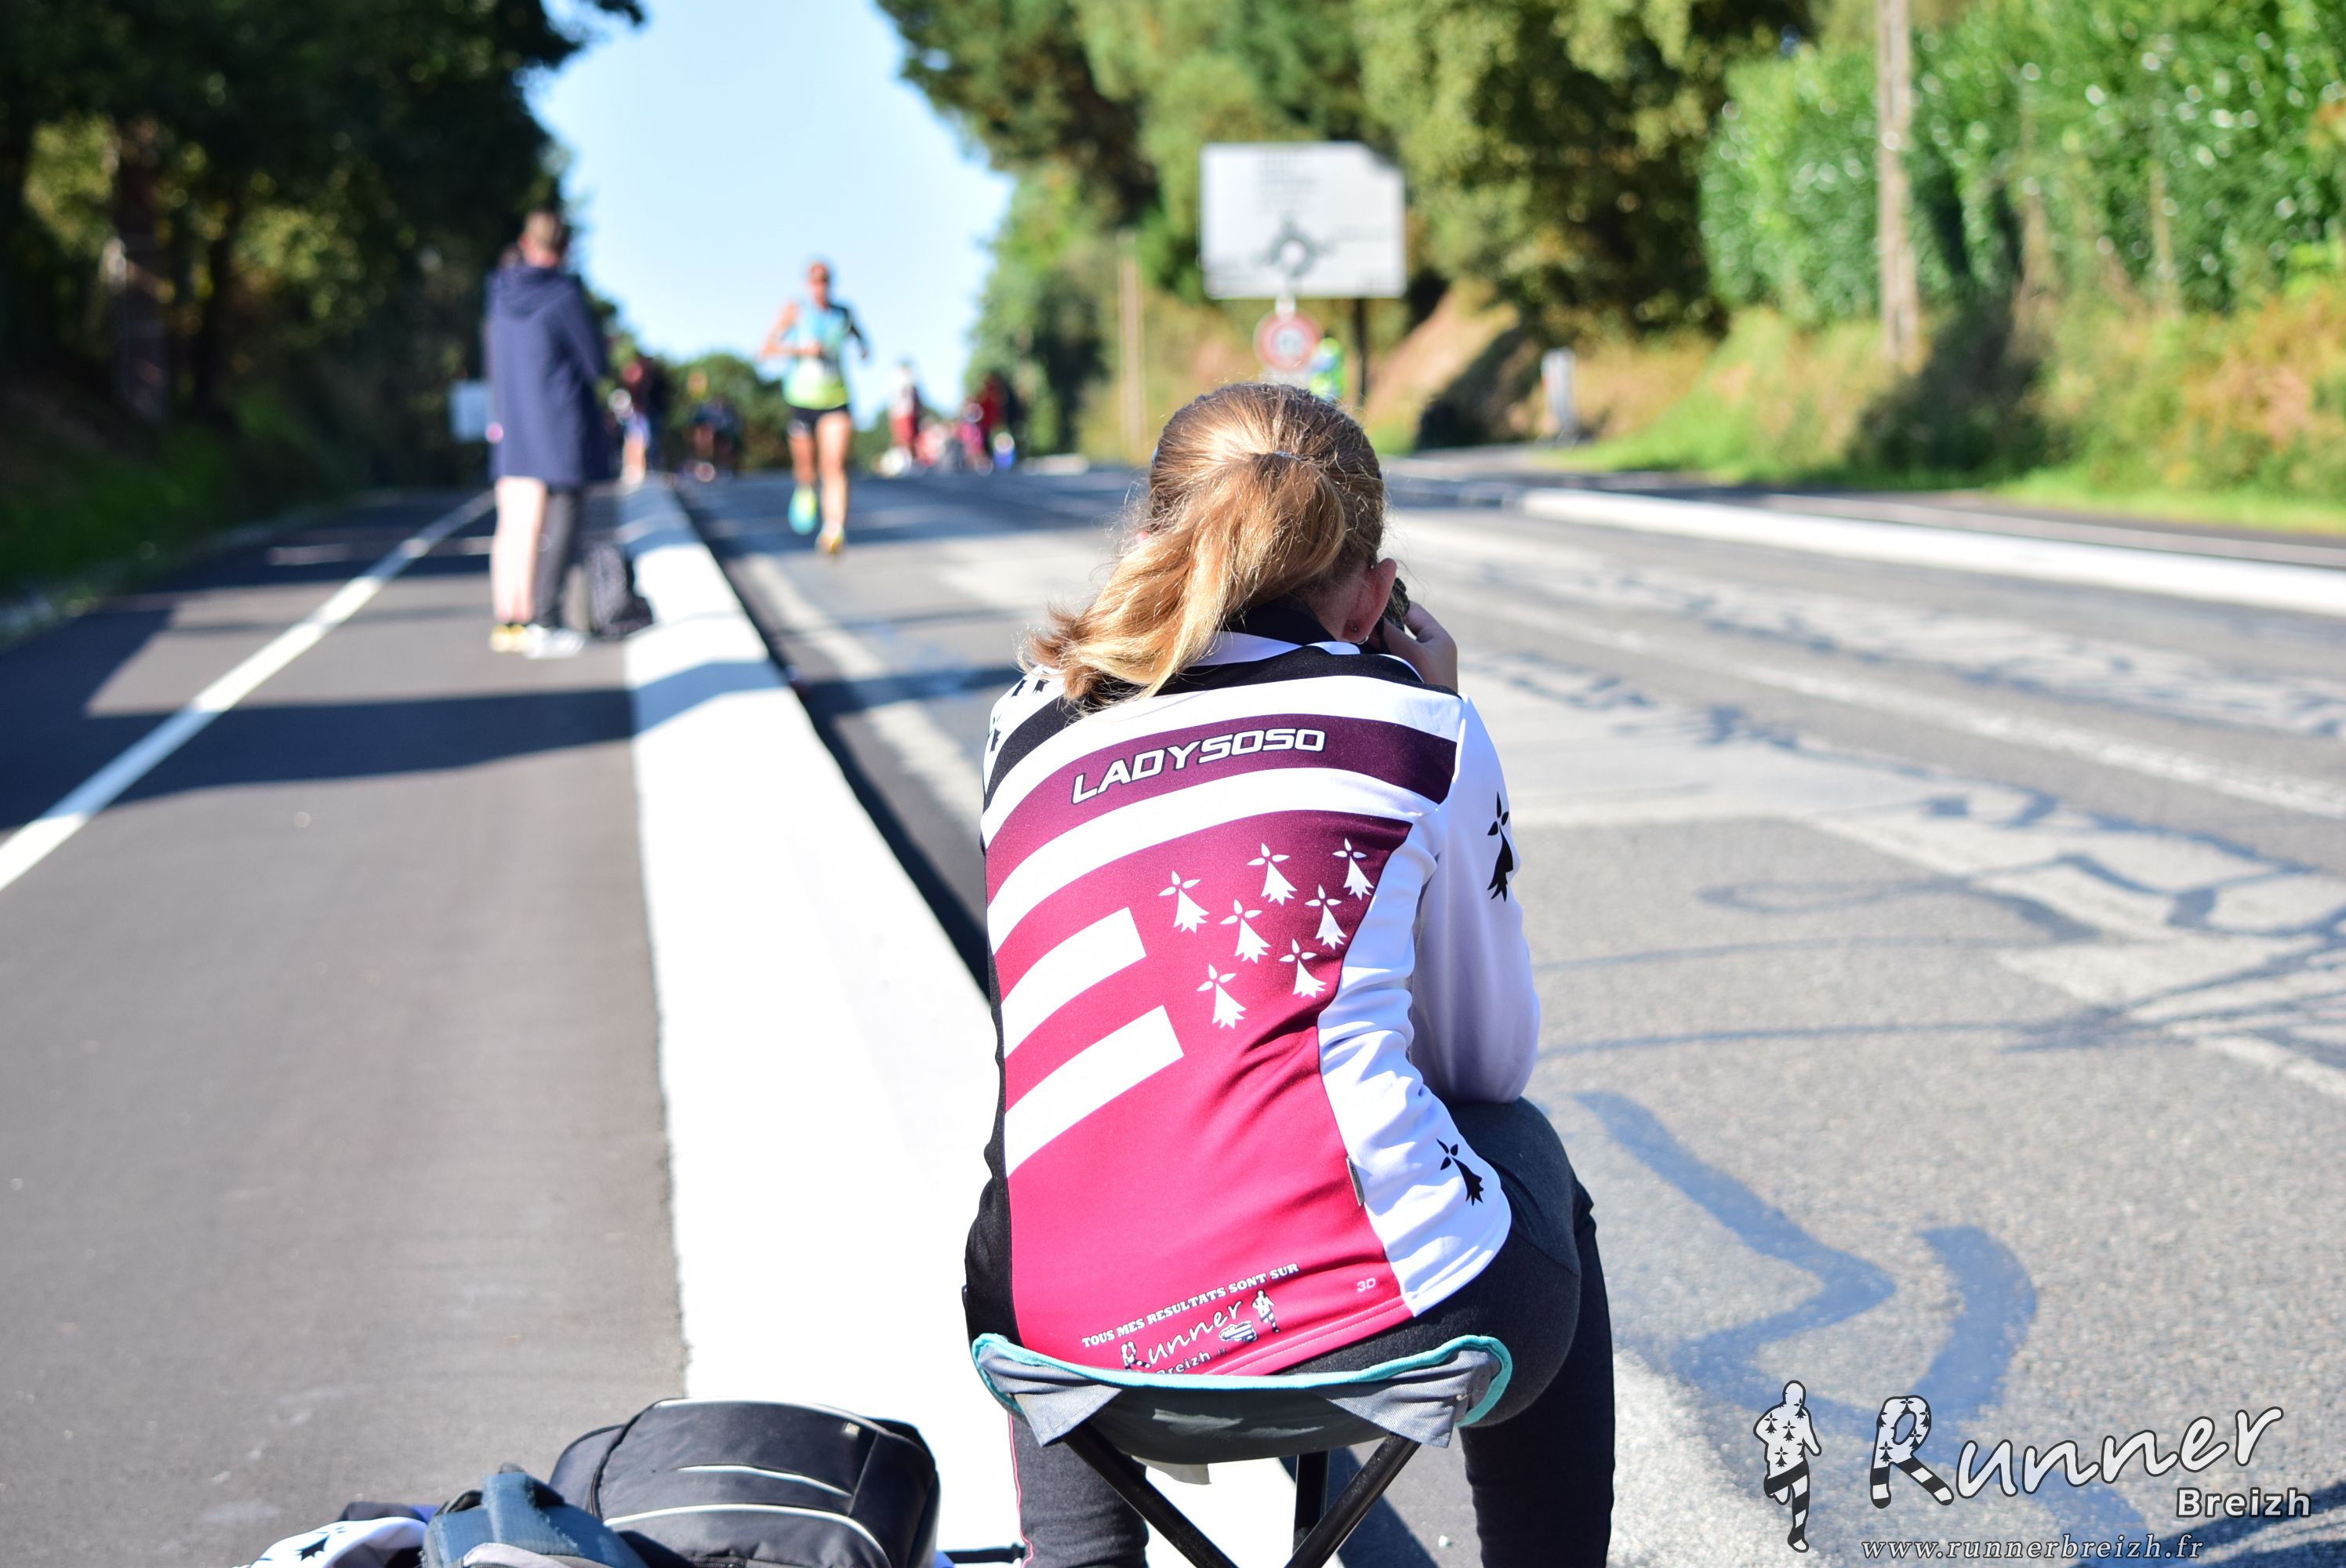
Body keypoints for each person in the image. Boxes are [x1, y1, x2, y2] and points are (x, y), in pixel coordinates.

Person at [965, 383, 1613, 1568]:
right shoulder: (1415, 726)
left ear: (1150, 540)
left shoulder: (1026, 723)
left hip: (1068, 1365)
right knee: (1525, 1152)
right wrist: (1435, 706)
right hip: (1397, 1333)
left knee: (1042, 1180)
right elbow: (1485, 1064)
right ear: (1376, 594)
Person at [483, 209, 606, 658]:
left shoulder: (499, 293)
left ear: (525, 242)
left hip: (512, 421)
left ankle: (511, 619)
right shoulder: (563, 294)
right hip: (559, 421)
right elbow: (595, 363)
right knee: (563, 514)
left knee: (515, 524)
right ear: (566, 248)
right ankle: (547, 620)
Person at [758, 260, 868, 554]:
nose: (821, 286)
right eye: (815, 280)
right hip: (802, 400)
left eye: (825, 280)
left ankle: (834, 530)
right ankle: (805, 490)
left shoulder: (843, 314)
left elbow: (860, 338)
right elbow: (765, 350)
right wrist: (800, 349)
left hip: (836, 398)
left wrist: (863, 350)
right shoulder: (795, 311)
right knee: (806, 469)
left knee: (834, 464)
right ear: (807, 284)